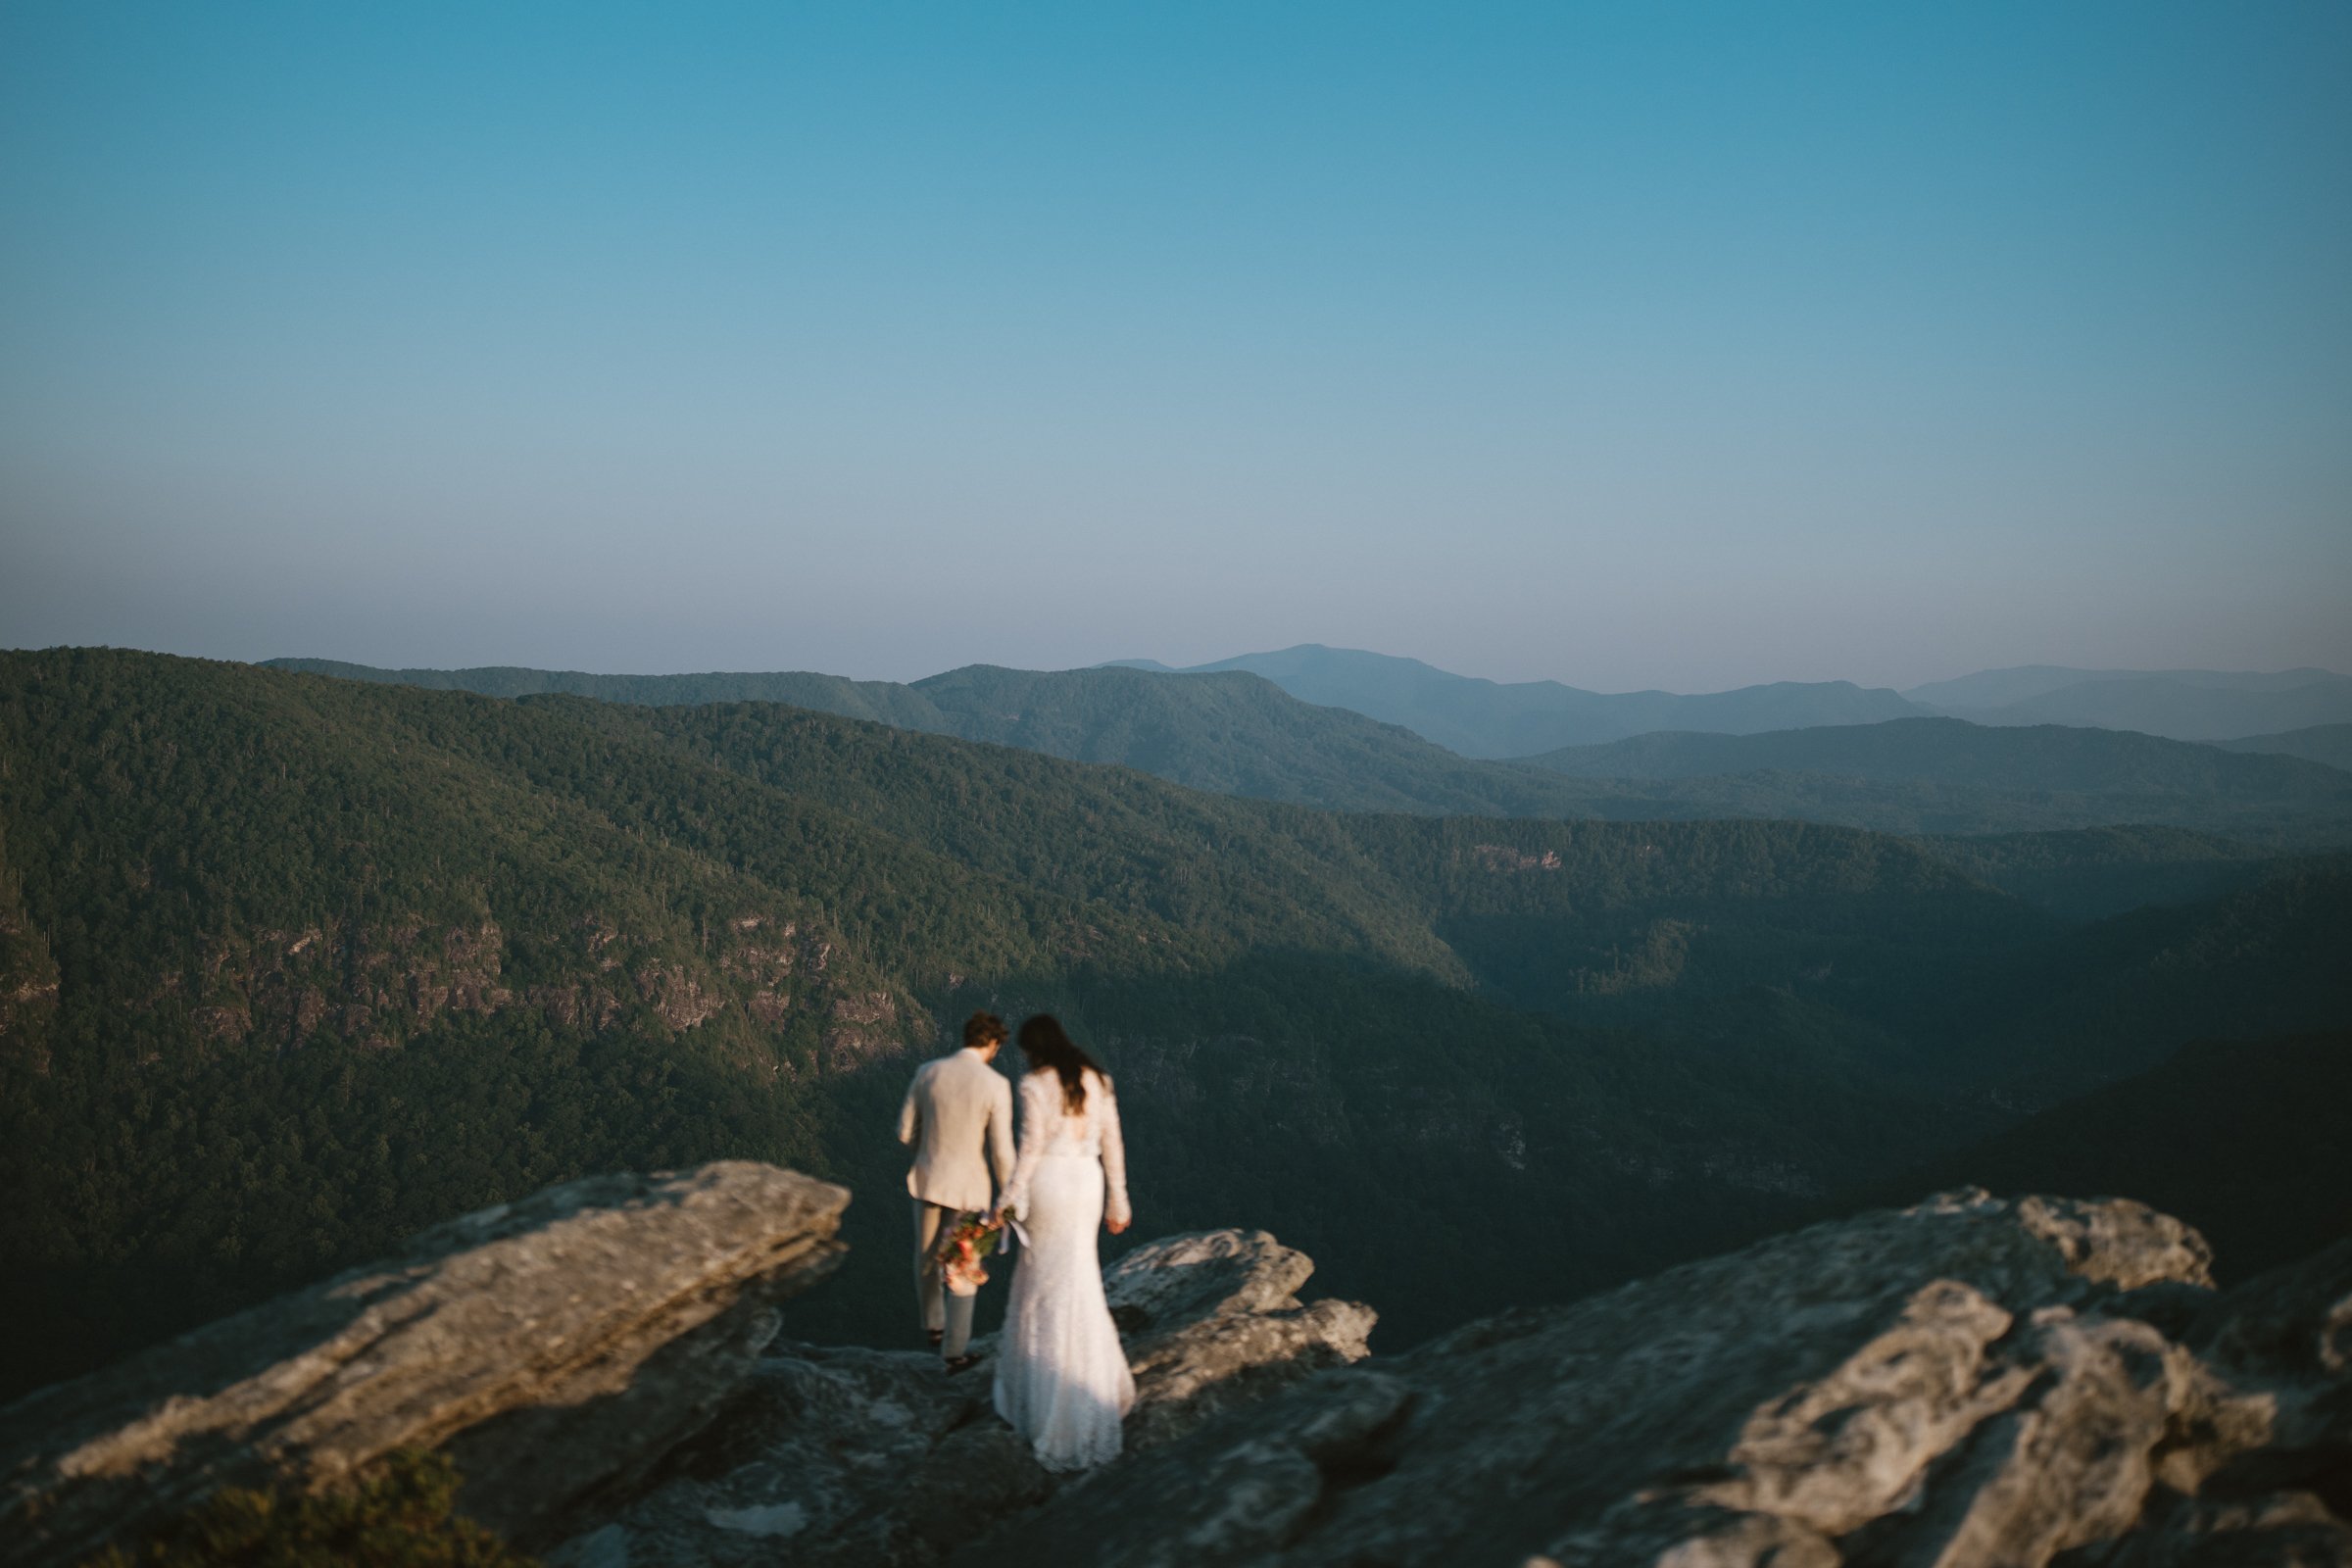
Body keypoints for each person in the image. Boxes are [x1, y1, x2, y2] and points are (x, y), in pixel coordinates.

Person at [991, 1012, 1136, 1470]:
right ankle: (1096, 1381)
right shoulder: (1098, 1080)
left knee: (1041, 1279)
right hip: (1087, 1183)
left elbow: (1030, 1148)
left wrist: (1006, 1201)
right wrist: (1120, 1200)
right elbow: (1113, 1142)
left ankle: (1043, 1393)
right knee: (1080, 1275)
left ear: (1034, 1049)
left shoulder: (1035, 1084)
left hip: (1050, 1183)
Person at [897, 1010, 1016, 1372]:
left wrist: (927, 1147)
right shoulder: (995, 1085)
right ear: (993, 1044)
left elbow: (904, 1132)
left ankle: (933, 1323)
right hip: (969, 1190)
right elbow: (1000, 1150)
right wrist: (1009, 1196)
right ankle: (955, 1351)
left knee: (927, 1256)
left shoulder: (928, 1072)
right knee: (964, 1266)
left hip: (929, 1180)